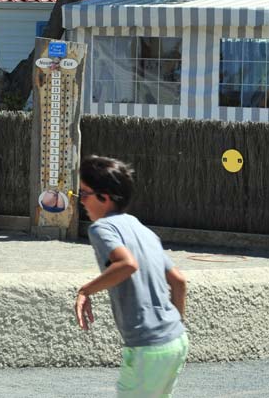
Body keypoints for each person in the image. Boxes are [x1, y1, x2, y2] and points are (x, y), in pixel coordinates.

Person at [74, 155, 189, 397]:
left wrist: (86, 290)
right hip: (176, 341)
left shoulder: (101, 228)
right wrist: (172, 327)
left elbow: (127, 264)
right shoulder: (141, 228)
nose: (81, 201)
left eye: (84, 193)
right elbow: (178, 281)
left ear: (104, 198)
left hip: (147, 349)